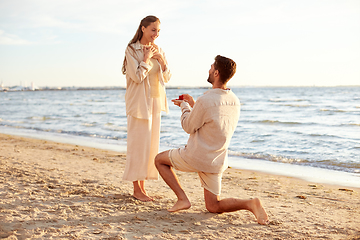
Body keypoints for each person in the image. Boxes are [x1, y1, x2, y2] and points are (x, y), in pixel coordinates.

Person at [155, 55, 269, 225]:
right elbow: (214, 121)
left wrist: (185, 106)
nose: (208, 70)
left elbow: (188, 126)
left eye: (211, 67)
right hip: (216, 160)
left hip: (196, 156)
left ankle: (182, 199)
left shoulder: (206, 99)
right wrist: (194, 104)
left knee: (159, 160)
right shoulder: (234, 101)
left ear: (216, 72)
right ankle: (250, 203)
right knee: (213, 206)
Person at [121, 15, 171, 202]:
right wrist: (147, 59)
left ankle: (142, 187)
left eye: (158, 31)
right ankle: (136, 189)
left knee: (150, 147)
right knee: (138, 146)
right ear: (143, 28)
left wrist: (162, 61)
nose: (156, 34)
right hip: (138, 103)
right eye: (153, 30)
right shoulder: (132, 49)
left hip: (155, 102)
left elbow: (166, 77)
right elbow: (136, 76)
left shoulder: (159, 49)